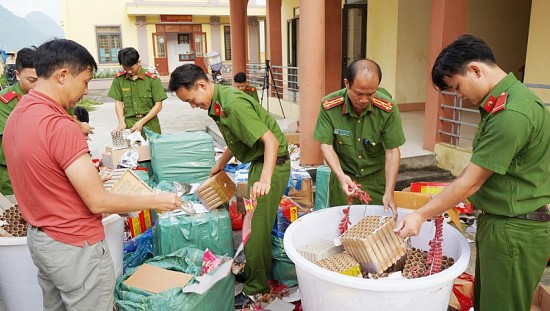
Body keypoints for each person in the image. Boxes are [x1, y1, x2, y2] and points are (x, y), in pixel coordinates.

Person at [3, 39, 181, 311]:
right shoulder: (60, 126)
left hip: (42, 239)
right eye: (85, 81)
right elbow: (97, 201)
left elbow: (45, 174)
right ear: (63, 75)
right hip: (74, 246)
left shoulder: (18, 114)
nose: (85, 90)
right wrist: (155, 200)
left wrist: (90, 174)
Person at [395, 35, 550, 311]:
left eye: (457, 87)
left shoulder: (511, 114)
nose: (459, 97)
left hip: (514, 229)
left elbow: (471, 182)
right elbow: (474, 168)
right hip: (504, 223)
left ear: (476, 70)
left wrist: (421, 214)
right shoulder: (502, 105)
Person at [169, 64, 290, 308]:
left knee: (255, 227)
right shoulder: (218, 104)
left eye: (192, 100)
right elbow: (236, 140)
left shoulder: (232, 104)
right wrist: (220, 164)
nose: (193, 106)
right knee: (252, 222)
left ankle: (257, 287)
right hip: (260, 163)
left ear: (202, 85)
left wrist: (265, 178)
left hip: (272, 164)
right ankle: (257, 273)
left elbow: (271, 141)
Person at [313, 59, 405, 217]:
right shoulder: (329, 106)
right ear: (347, 83)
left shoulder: (387, 109)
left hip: (377, 181)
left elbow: (392, 151)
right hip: (343, 177)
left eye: (370, 94)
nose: (364, 100)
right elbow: (326, 145)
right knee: (342, 227)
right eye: (358, 93)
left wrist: (389, 191)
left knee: (377, 230)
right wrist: (341, 177)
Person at [0, 47, 37, 195]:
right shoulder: (4, 102)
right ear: (17, 74)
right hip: (13, 176)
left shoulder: (48, 94)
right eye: (31, 80)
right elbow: (13, 143)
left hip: (42, 175)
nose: (37, 85)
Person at [108, 47, 166, 139]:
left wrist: (141, 122)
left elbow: (158, 105)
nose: (129, 71)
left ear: (139, 62)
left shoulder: (152, 79)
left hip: (150, 123)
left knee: (153, 152)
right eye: (125, 68)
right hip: (129, 124)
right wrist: (121, 122)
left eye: (131, 68)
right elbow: (118, 102)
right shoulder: (119, 80)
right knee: (132, 152)